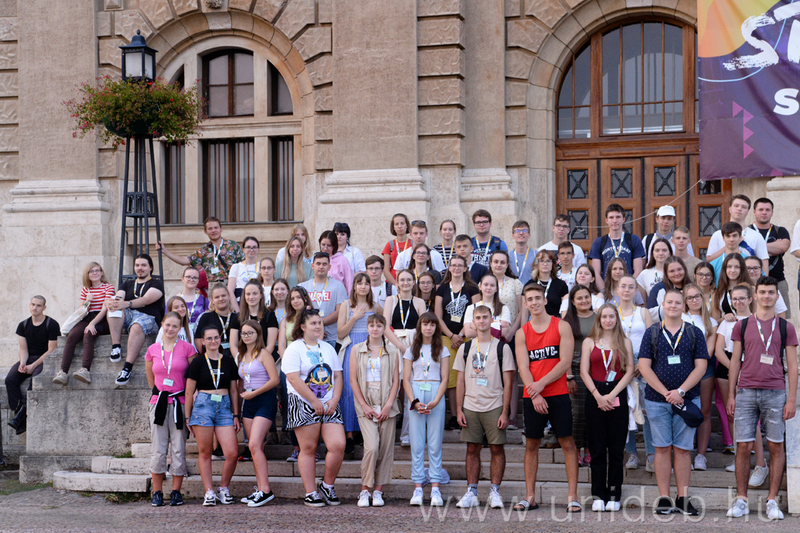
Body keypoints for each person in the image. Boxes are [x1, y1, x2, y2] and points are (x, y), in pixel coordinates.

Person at [726, 277, 797, 521]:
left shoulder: (786, 327)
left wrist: (791, 399)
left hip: (775, 392)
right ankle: (741, 499)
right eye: (763, 292)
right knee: (743, 446)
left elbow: (792, 365)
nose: (766, 296)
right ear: (755, 296)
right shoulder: (743, 325)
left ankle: (772, 501)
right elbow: (735, 361)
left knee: (776, 445)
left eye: (771, 292)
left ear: (777, 296)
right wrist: (731, 394)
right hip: (746, 391)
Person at [638, 289, 708, 516]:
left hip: (687, 400)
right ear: (663, 305)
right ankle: (665, 498)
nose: (673, 306)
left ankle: (683, 498)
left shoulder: (694, 332)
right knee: (661, 448)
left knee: (683, 450)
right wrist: (667, 393)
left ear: (683, 306)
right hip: (657, 401)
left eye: (678, 303)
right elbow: (644, 366)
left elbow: (701, 367)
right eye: (669, 302)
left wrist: (680, 391)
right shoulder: (652, 332)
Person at [514, 283, 579, 512]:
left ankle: (572, 496)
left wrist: (540, 385)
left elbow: (564, 361)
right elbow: (523, 366)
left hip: (557, 393)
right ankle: (530, 496)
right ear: (525, 303)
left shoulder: (561, 326)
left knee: (567, 443)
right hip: (533, 396)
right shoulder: (522, 333)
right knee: (532, 444)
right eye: (530, 299)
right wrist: (535, 394)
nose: (534, 302)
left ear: (545, 300)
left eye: (537, 298)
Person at [452, 305, 515, 509]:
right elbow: (459, 381)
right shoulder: (466, 348)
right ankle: (471, 491)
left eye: (485, 317)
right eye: (478, 318)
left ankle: (495, 491)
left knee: (497, 448)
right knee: (472, 448)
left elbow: (508, 383)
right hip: (471, 405)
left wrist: (505, 412)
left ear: (491, 320)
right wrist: (459, 409)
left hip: (494, 404)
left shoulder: (502, 348)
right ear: (473, 322)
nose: (481, 321)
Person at [283, 308, 346, 507]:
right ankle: (310, 492)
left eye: (320, 322)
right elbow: (293, 378)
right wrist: (313, 401)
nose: (318, 326)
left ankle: (327, 486)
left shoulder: (327, 348)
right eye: (313, 323)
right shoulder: (294, 348)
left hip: (329, 403)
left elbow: (337, 375)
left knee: (338, 445)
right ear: (302, 327)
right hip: (303, 402)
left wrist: (335, 399)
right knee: (308, 448)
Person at [580, 303, 635, 512]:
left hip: (617, 393)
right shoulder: (589, 342)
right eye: (604, 317)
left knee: (616, 450)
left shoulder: (625, 342)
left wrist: (611, 395)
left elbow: (629, 371)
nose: (608, 320)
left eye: (612, 316)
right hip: (594, 395)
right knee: (597, 449)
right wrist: (597, 395)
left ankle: (614, 494)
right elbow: (584, 371)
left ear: (616, 319)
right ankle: (598, 495)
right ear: (599, 319)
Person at [185, 324, 241, 507]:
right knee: (205, 452)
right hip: (203, 406)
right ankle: (209, 491)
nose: (213, 341)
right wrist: (187, 417)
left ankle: (223, 488)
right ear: (202, 341)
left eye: (216, 337)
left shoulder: (228, 361)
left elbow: (234, 390)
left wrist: (236, 414)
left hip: (224, 406)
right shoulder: (198, 362)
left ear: (220, 339)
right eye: (209, 338)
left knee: (232, 452)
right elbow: (189, 392)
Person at [144, 311, 197, 507]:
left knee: (178, 449)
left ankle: (176, 491)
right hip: (159, 402)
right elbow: (151, 377)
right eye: (168, 325)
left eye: (175, 326)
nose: (170, 329)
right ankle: (157, 492)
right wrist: (160, 393)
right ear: (162, 325)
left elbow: (192, 377)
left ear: (180, 328)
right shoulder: (152, 349)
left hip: (179, 403)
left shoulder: (188, 349)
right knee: (158, 450)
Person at [351, 314, 401, 508]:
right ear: (367, 328)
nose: (375, 329)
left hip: (386, 401)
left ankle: (378, 490)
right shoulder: (357, 349)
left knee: (385, 449)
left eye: (379, 326)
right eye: (371, 325)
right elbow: (353, 379)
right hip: (366, 402)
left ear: (384, 328)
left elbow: (396, 381)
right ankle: (365, 489)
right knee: (371, 447)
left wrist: (388, 404)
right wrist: (364, 405)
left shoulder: (392, 350)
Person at [403, 313, 450, 507]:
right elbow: (406, 379)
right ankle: (418, 487)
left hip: (435, 391)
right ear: (419, 326)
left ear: (436, 327)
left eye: (432, 324)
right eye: (425, 324)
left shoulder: (442, 350)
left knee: (434, 442)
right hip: (416, 391)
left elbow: (445, 378)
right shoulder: (411, 350)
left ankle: (436, 487)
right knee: (416, 442)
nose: (428, 328)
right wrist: (413, 401)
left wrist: (437, 400)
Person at [237, 320, 280, 507]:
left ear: (258, 334)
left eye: (250, 333)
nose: (246, 336)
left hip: (264, 399)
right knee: (255, 447)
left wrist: (254, 393)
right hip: (248, 402)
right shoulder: (241, 355)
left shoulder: (263, 353)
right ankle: (260, 488)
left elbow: (275, 380)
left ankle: (266, 490)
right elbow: (241, 382)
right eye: (244, 333)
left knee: (254, 443)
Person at [435, 255, 480, 430]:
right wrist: (451, 335)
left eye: (460, 265)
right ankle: (455, 415)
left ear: (465, 268)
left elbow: (477, 313)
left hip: (468, 336)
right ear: (449, 268)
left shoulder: (472, 288)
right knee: (452, 378)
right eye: (453, 265)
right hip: (447, 338)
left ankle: (470, 413)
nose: (456, 268)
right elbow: (438, 316)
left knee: (470, 375)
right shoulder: (442, 289)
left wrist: (460, 334)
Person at [106, 254, 166, 386]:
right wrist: (110, 302)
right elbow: (118, 298)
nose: (140, 268)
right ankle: (116, 347)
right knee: (114, 308)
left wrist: (127, 304)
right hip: (129, 316)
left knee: (137, 326)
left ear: (150, 267)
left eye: (144, 265)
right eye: (137, 265)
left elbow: (146, 300)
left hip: (149, 318)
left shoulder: (156, 284)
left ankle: (127, 369)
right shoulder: (127, 284)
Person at [338, 273, 381, 453]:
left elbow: (382, 328)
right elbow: (340, 333)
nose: (363, 286)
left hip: (371, 349)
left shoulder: (376, 306)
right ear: (354, 286)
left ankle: (365, 432)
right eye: (359, 283)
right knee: (349, 390)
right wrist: (354, 317)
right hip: (352, 349)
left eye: (366, 283)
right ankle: (349, 434)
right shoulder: (346, 305)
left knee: (368, 388)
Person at [5, 296, 60, 435]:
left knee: (35, 381)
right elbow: (23, 349)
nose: (35, 308)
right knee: (10, 379)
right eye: (33, 304)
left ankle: (20, 418)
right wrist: (23, 363)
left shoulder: (51, 324)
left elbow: (51, 350)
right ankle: (19, 415)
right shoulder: (23, 325)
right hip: (29, 358)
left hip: (45, 360)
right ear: (29, 305)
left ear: (44, 308)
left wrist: (33, 366)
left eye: (38, 305)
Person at [616, 275, 654, 471]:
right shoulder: (612, 312)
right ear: (617, 289)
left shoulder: (643, 312)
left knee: (647, 409)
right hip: (619, 362)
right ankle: (631, 453)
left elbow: (652, 340)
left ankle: (651, 454)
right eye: (623, 286)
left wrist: (643, 363)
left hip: (642, 362)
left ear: (636, 291)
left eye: (631, 287)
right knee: (626, 408)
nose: (627, 290)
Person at [55, 262, 115, 385]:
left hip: (102, 319)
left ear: (101, 272)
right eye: (91, 271)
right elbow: (82, 310)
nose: (95, 273)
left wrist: (92, 324)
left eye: (97, 270)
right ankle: (63, 372)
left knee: (88, 334)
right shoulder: (85, 290)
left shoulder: (108, 287)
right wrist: (88, 301)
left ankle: (85, 370)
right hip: (87, 317)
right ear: (87, 275)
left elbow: (105, 309)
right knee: (72, 336)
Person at [682, 284, 718, 472]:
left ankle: (701, 455)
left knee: (704, 411)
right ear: (685, 301)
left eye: (697, 296)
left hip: (704, 369)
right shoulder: (678, 317)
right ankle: (684, 454)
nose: (694, 300)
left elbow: (709, 350)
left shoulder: (711, 321)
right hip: (680, 370)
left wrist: (696, 365)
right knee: (683, 411)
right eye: (690, 297)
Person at [278, 286, 315, 461]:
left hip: (308, 368)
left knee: (310, 405)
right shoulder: (285, 320)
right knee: (290, 407)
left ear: (305, 299)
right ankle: (296, 448)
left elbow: (317, 340)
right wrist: (289, 366)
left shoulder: (312, 318)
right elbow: (281, 346)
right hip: (289, 369)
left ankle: (311, 448)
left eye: (299, 297)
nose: (295, 301)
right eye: (292, 298)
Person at [488, 251, 524, 429]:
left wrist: (512, 332)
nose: (499, 265)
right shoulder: (486, 282)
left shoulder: (515, 283)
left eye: (502, 262)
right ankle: (493, 413)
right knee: (493, 374)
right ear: (491, 263)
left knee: (512, 374)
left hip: (511, 335)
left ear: (507, 264)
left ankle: (512, 415)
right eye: (496, 261)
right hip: (490, 336)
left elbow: (522, 310)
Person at [562, 285, 597, 466]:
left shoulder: (598, 317)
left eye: (586, 297)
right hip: (575, 369)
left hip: (595, 369)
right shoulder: (567, 321)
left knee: (593, 412)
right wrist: (569, 376)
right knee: (578, 412)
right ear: (573, 302)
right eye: (580, 298)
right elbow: (563, 350)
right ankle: (575, 450)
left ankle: (589, 450)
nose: (584, 301)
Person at [157, 216, 244, 285]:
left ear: (221, 229)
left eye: (216, 228)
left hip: (233, 284)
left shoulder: (232, 245)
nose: (213, 231)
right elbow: (184, 261)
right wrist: (165, 251)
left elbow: (244, 263)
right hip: (214, 286)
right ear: (205, 231)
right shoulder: (203, 250)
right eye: (210, 228)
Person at [706, 195, 769, 274]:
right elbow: (710, 260)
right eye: (736, 206)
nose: (739, 209)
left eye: (744, 207)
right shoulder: (717, 234)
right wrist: (731, 244)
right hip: (722, 276)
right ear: (730, 209)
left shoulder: (756, 236)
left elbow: (763, 262)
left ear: (748, 211)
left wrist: (764, 281)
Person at [589, 204, 646, 289]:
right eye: (611, 217)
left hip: (628, 289)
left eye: (618, 217)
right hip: (607, 288)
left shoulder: (634, 240)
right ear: (606, 220)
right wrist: (605, 292)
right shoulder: (599, 242)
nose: (614, 221)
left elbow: (638, 270)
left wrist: (627, 288)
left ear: (623, 219)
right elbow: (596, 273)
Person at [299, 253, 349, 349]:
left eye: (324, 264)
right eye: (318, 264)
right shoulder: (302, 287)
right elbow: (299, 313)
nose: (321, 267)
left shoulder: (338, 286)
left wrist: (319, 324)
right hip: (308, 338)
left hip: (332, 338)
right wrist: (317, 327)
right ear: (312, 266)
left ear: (329, 267)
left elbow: (340, 312)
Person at [194, 284, 240, 358]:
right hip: (212, 357)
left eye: (223, 295)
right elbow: (198, 340)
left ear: (229, 296)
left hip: (235, 357)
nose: (221, 299)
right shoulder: (205, 317)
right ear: (212, 300)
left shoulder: (238, 317)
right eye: (217, 297)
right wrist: (209, 356)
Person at [462, 273, 511, 339]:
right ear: (480, 286)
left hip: (496, 344)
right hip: (477, 344)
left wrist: (476, 327)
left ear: (496, 288)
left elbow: (503, 333)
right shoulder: (471, 308)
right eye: (486, 284)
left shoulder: (503, 308)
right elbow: (468, 333)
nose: (488, 288)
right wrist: (497, 325)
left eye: (492, 285)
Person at [239, 279, 279, 359]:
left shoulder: (270, 316)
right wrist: (242, 360)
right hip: (243, 360)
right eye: (248, 294)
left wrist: (257, 361)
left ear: (261, 295)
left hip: (264, 360)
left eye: (255, 293)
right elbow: (234, 344)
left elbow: (271, 345)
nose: (251, 297)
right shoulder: (238, 317)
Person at [646, 256, 689, 321]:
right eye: (672, 271)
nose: (677, 273)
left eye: (679, 269)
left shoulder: (692, 288)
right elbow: (649, 314)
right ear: (666, 274)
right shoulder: (658, 288)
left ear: (684, 269)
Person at [529, 250, 569, 317]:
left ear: (553, 264)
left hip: (555, 320)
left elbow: (565, 310)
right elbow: (525, 313)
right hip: (535, 320)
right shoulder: (530, 285)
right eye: (542, 261)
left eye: (548, 261)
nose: (545, 264)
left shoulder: (561, 285)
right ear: (537, 263)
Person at [711, 254, 749, 322]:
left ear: (742, 269)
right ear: (724, 269)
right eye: (729, 267)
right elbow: (715, 322)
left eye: (737, 267)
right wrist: (724, 318)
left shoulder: (751, 289)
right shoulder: (717, 293)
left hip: (747, 327)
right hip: (726, 328)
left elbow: (757, 316)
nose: (733, 270)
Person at [227, 236, 262, 311]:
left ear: (258, 249)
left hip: (258, 304)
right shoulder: (236, 267)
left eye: (254, 247)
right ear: (243, 249)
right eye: (248, 247)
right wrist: (237, 311)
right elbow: (230, 291)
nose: (251, 250)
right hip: (240, 303)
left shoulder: (262, 266)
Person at [176, 266, 209, 335]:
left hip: (199, 337)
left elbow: (208, 323)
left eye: (195, 277)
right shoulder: (174, 300)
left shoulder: (205, 301)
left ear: (198, 280)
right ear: (183, 279)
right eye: (188, 277)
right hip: (180, 337)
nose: (191, 279)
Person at [382, 213, 413, 285]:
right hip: (393, 283)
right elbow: (386, 270)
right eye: (396, 224)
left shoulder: (413, 244)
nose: (400, 226)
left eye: (402, 223)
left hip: (409, 283)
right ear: (393, 227)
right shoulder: (390, 245)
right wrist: (396, 284)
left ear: (407, 225)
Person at [319, 230, 353, 294]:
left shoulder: (342, 260)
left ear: (334, 246)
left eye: (329, 245)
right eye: (323, 245)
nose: (325, 248)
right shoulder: (317, 259)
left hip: (339, 296)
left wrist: (349, 298)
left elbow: (349, 282)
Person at [510, 220, 536, 284]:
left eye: (524, 230)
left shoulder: (536, 255)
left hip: (531, 288)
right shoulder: (508, 256)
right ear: (513, 236)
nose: (521, 233)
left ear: (529, 235)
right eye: (517, 231)